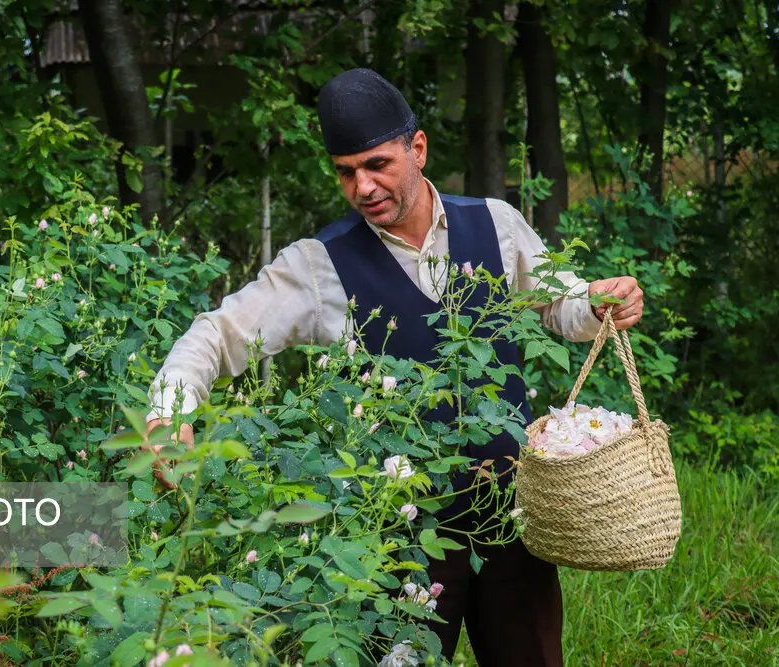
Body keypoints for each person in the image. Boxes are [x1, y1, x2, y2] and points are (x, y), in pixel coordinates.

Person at [144, 68, 644, 667]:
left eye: (377, 164)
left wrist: (597, 301)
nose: (363, 186)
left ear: (418, 148)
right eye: (346, 172)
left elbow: (559, 305)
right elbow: (217, 335)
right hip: (399, 536)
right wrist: (170, 412)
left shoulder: (495, 223)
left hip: (512, 516)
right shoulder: (317, 266)